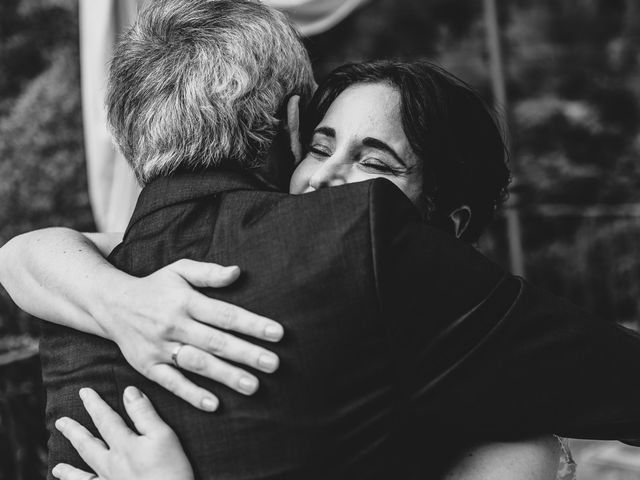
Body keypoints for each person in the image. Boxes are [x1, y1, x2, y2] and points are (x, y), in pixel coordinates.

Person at [0, 0, 638, 478]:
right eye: (320, 145)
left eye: (376, 165)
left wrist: (106, 296)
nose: (331, 182)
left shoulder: (84, 304)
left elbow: (29, 253)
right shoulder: (351, 242)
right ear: (292, 125)